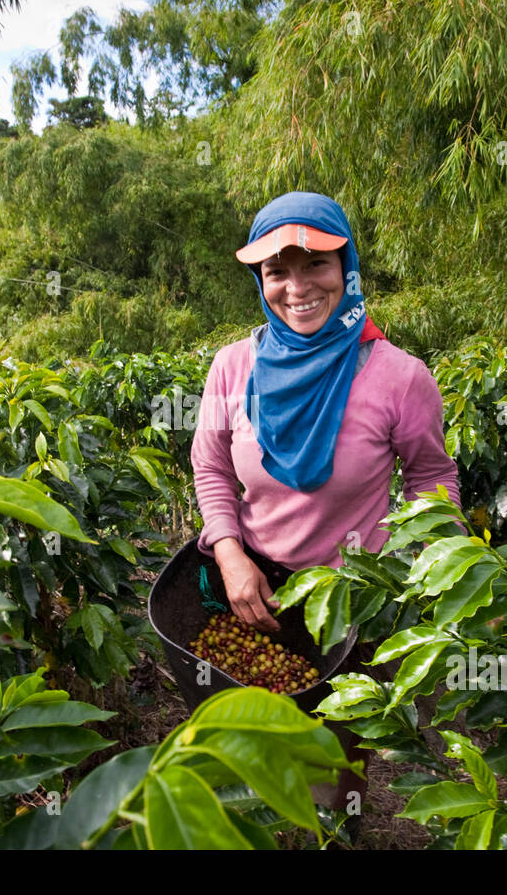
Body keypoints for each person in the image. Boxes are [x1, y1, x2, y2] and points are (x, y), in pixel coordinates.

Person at [189, 190, 462, 834]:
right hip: (252, 592)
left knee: (336, 753)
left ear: (348, 267)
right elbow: (212, 469)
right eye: (276, 270)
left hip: (351, 603)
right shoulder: (233, 368)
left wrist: (425, 568)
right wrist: (229, 556)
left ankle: (339, 830)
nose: (297, 286)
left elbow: (431, 478)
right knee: (255, 742)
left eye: (315, 264)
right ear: (261, 281)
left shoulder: (399, 377)